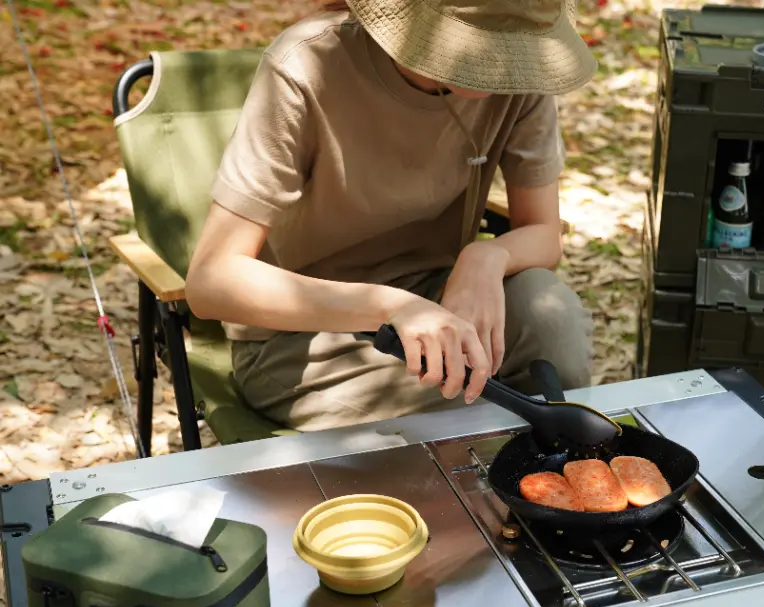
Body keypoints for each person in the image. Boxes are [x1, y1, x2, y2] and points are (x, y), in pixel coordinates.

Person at [185, 0, 599, 431]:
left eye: (514, 46)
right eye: (490, 42)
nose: (504, 65)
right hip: (307, 337)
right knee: (476, 416)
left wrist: (484, 259)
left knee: (551, 320)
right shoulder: (307, 67)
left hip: (438, 304)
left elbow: (543, 233)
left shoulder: (519, 76)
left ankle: (564, 473)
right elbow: (212, 281)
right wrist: (391, 306)